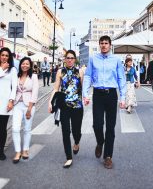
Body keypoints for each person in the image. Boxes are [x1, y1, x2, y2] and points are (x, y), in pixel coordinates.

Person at [83, 36, 126, 169]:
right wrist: (85, 94)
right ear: (99, 44)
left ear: (110, 45)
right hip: (98, 94)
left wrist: (123, 97)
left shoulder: (116, 60)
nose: (103, 45)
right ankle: (100, 142)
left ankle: (108, 156)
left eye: (106, 43)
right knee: (97, 124)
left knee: (110, 127)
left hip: (112, 94)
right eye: (101, 43)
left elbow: (121, 78)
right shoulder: (93, 59)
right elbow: (88, 76)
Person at [48, 50, 84, 168]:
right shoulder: (60, 71)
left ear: (75, 59)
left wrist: (86, 98)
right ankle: (68, 157)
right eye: (67, 57)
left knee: (76, 131)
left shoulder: (80, 72)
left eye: (72, 58)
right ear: (64, 59)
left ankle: (77, 142)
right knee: (65, 132)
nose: (69, 60)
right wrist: (50, 102)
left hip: (77, 106)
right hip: (64, 106)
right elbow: (56, 88)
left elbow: (83, 88)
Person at [12, 57, 39, 163]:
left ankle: (25, 150)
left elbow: (35, 92)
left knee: (27, 129)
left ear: (30, 65)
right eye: (23, 63)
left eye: (27, 64)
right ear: (20, 65)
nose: (25, 65)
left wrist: (29, 108)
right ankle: (18, 151)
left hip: (29, 105)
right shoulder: (17, 76)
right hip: (17, 105)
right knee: (15, 128)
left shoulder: (34, 77)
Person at [0, 47, 18, 160]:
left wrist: (11, 101)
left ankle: (1, 151)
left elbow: (14, 87)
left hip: (5, 103)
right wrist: (2, 69)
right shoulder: (1, 68)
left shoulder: (13, 70)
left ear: (9, 57)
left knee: (2, 128)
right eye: (2, 55)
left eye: (7, 55)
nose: (4, 57)